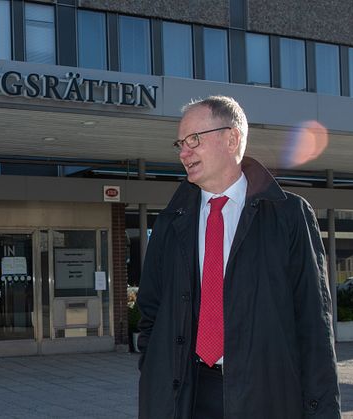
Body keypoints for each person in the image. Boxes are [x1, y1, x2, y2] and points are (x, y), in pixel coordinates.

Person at [136, 96, 340, 418]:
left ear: (231, 139)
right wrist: (155, 375)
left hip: (265, 398)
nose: (183, 152)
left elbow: (314, 327)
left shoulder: (289, 216)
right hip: (186, 397)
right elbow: (150, 313)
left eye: (194, 140)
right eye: (180, 143)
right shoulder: (170, 222)